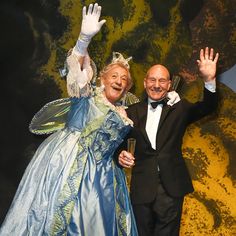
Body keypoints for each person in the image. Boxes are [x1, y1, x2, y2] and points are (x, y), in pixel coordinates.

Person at [0, 3, 139, 235]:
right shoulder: (87, 95)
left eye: (124, 79)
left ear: (127, 88)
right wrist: (84, 40)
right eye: (114, 75)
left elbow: (112, 144)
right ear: (102, 79)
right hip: (70, 161)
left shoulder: (125, 112)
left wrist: (121, 153)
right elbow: (77, 72)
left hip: (104, 176)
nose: (119, 80)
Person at [118, 47, 219, 236]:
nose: (157, 85)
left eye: (162, 80)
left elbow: (208, 106)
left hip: (171, 187)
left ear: (169, 84)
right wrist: (121, 155)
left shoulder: (179, 109)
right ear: (145, 82)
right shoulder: (130, 112)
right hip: (141, 188)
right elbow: (119, 146)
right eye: (153, 80)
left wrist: (209, 80)